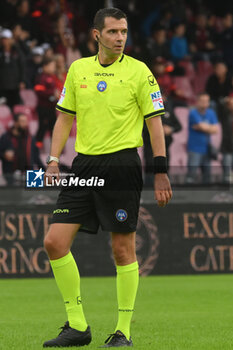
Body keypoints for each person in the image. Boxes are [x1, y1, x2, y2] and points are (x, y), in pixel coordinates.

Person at [43, 8, 172, 348]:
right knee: (54, 242)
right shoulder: (78, 69)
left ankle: (123, 332)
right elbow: (63, 119)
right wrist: (54, 160)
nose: (120, 38)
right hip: (83, 166)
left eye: (124, 32)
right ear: (97, 34)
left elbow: (154, 123)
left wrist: (160, 171)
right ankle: (77, 326)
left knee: (122, 249)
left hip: (122, 166)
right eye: (113, 32)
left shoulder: (139, 72)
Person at [0, 112, 43, 185]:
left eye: (26, 121)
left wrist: (44, 171)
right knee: (13, 195)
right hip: (11, 173)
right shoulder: (6, 137)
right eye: (22, 121)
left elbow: (36, 157)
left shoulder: (31, 138)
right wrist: (4, 155)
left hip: (31, 173)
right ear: (16, 123)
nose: (25, 124)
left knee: (34, 194)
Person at [186, 93, 218, 184]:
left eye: (207, 101)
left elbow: (216, 130)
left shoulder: (211, 113)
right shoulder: (193, 113)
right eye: (202, 101)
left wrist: (202, 127)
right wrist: (208, 127)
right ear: (198, 102)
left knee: (207, 176)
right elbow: (203, 127)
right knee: (191, 175)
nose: (205, 103)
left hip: (207, 149)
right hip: (194, 149)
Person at [34, 57, 59, 149]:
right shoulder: (41, 77)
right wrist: (52, 94)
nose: (54, 68)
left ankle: (55, 150)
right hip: (43, 108)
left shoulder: (51, 77)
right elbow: (38, 90)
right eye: (52, 66)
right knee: (42, 128)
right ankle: (36, 147)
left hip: (51, 108)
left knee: (54, 128)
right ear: (45, 66)